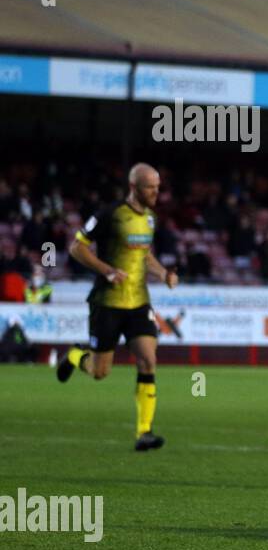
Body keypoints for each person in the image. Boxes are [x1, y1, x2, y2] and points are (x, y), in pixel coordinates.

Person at [56, 163, 178, 451]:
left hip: (138, 302)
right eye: (151, 187)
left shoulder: (150, 219)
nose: (156, 192)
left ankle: (144, 432)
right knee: (100, 372)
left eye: (158, 187)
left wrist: (163, 274)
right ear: (134, 187)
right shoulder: (108, 215)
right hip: (107, 302)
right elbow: (77, 247)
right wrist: (107, 270)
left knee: (148, 359)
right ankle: (75, 355)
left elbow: (145, 254)